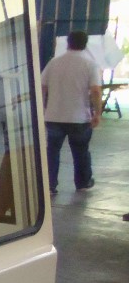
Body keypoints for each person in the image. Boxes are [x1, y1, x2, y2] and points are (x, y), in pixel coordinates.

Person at [42, 29, 101, 194]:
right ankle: (82, 182)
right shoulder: (90, 64)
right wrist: (97, 113)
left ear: (68, 43)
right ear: (85, 44)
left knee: (52, 151)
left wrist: (43, 107)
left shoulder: (54, 63)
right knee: (80, 151)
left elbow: (42, 86)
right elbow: (96, 91)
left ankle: (49, 184)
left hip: (54, 116)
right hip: (79, 117)